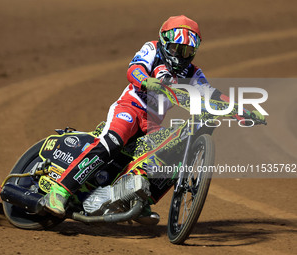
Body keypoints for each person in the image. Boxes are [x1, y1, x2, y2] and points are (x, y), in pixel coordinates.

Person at [42, 15, 263, 221]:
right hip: (130, 107)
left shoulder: (193, 73)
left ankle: (138, 199)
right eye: (176, 48)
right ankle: (59, 191)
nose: (180, 55)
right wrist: (147, 81)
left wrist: (239, 109)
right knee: (113, 142)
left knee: (167, 156)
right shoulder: (152, 48)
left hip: (151, 122)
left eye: (186, 51)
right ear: (165, 43)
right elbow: (134, 69)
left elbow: (211, 94)